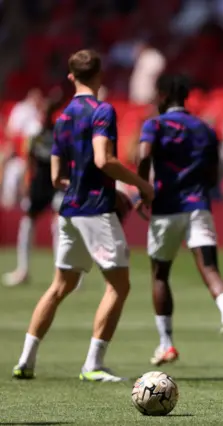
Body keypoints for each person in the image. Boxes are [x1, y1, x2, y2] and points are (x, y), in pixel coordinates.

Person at [12, 49, 154, 381]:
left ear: (71, 77)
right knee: (119, 285)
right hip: (95, 211)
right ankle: (93, 363)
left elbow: (56, 177)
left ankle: (26, 360)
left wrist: (96, 184)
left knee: (60, 285)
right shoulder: (102, 111)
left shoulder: (62, 117)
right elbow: (105, 160)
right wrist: (141, 185)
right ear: (100, 76)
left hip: (68, 209)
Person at [137, 74, 223, 366]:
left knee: (160, 274)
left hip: (165, 207)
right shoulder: (205, 128)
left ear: (162, 95)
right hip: (198, 206)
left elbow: (144, 156)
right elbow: (214, 171)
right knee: (209, 269)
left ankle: (166, 343)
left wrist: (144, 190)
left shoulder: (154, 125)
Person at [3, 91, 64, 287]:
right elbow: (29, 159)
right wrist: (27, 184)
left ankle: (61, 272)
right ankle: (23, 270)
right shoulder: (34, 133)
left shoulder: (59, 132)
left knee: (60, 226)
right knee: (27, 223)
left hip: (56, 183)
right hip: (39, 183)